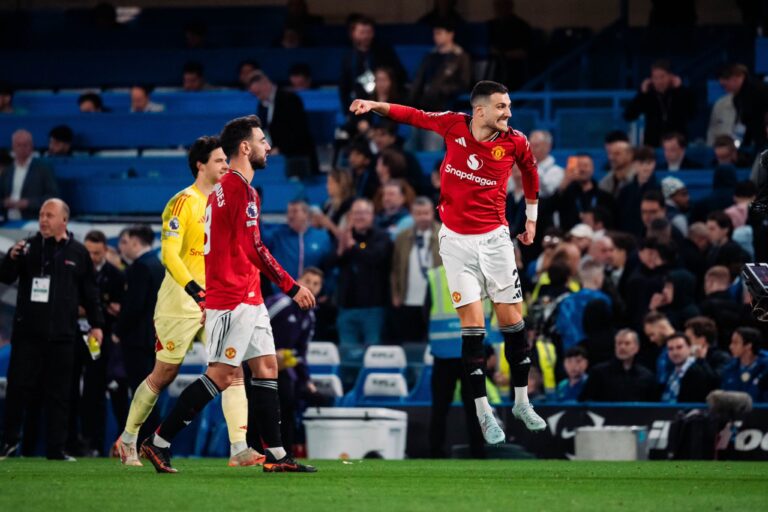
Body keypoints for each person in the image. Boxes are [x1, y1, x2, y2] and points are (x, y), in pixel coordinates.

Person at [349, 80, 547, 442]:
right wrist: (375, 104)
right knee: (472, 329)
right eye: (502, 106)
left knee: (512, 322)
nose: (508, 112)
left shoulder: (515, 142)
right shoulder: (454, 124)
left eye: (509, 105)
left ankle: (521, 402)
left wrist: (531, 219)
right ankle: (484, 414)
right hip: (455, 242)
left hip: (495, 240)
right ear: (481, 110)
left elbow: (531, 173)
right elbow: (413, 115)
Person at [140, 115, 316, 474]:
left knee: (267, 367)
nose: (268, 147)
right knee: (221, 374)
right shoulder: (239, 190)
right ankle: (157, 442)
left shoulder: (222, 191)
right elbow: (254, 248)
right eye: (262, 140)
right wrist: (291, 285)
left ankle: (279, 456)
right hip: (232, 298)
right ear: (246, 147)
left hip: (248, 296)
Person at [114, 137, 262, 468]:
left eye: (227, 160)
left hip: (219, 301)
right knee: (165, 372)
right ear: (201, 165)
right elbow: (169, 253)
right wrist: (196, 290)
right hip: (180, 302)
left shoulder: (226, 202)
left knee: (232, 370)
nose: (227, 165)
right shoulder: (183, 202)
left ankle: (239, 447)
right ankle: (128, 439)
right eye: (220, 160)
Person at [0, 199, 103, 461]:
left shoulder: (78, 252)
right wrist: (10, 259)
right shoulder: (25, 247)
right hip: (27, 335)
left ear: (64, 221)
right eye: (41, 214)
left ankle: (57, 449)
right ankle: (10, 443)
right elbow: (6, 276)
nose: (43, 219)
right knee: (17, 390)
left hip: (63, 336)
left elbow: (91, 293)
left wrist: (97, 325)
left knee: (60, 395)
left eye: (49, 215)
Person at [260, 267, 326, 454]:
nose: (311, 287)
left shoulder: (310, 316)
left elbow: (300, 353)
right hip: (255, 362)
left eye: (316, 284)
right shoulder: (280, 303)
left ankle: (285, 454)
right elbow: (254, 324)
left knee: (289, 402)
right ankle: (255, 451)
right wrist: (271, 353)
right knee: (260, 406)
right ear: (297, 282)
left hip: (280, 368)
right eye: (307, 281)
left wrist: (307, 381)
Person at [75, 230, 126, 456]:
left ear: (105, 250)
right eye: (88, 252)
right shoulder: (76, 272)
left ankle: (121, 444)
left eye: (96, 252)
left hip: (108, 344)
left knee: (116, 395)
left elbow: (121, 309)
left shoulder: (116, 275)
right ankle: (90, 444)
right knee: (89, 396)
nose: (92, 257)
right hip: (80, 339)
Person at [427, 265, 487, 459]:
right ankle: (478, 453)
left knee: (440, 407)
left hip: (445, 353)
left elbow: (425, 311)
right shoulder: (481, 275)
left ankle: (436, 453)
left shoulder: (435, 276)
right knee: (475, 406)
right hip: (471, 351)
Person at [335, 198, 393, 353]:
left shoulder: (382, 237)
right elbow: (333, 263)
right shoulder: (344, 236)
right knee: (347, 354)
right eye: (356, 213)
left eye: (364, 213)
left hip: (373, 307)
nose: (359, 217)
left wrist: (353, 247)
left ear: (372, 215)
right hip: (346, 307)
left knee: (374, 353)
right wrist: (341, 249)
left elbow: (375, 257)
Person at [409, 18, 472, 151]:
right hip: (421, 109)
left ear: (450, 34)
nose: (436, 37)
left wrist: (443, 91)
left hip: (442, 109)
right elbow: (419, 81)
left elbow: (464, 83)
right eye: (435, 33)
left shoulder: (460, 57)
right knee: (412, 147)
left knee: (432, 149)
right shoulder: (430, 56)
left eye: (439, 33)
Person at [390, 197, 442, 343]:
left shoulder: (444, 234)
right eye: (418, 213)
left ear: (432, 213)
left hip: (437, 301)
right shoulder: (402, 237)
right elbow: (395, 267)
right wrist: (396, 293)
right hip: (409, 298)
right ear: (412, 215)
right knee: (410, 342)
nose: (423, 217)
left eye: (426, 213)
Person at [248, 70, 318, 174]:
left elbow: (299, 131)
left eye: (258, 93)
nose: (258, 97)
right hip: (277, 160)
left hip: (298, 157)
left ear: (265, 84)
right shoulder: (262, 105)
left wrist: (281, 149)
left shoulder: (290, 99)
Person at [623, 60, 696, 147]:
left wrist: (680, 90)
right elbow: (628, 115)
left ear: (671, 76)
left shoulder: (682, 93)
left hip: (676, 145)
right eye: (655, 78)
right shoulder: (647, 95)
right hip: (652, 145)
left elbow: (692, 114)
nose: (659, 81)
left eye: (662, 77)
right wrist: (641, 94)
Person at [579, 329, 658, 402]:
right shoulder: (598, 373)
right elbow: (584, 402)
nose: (622, 347)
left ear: (636, 348)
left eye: (627, 343)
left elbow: (653, 407)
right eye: (619, 343)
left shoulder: (647, 376)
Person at [264, 200, 333, 281]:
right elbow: (258, 239)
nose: (290, 216)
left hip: (311, 291)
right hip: (282, 291)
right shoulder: (278, 235)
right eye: (288, 212)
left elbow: (329, 267)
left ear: (306, 214)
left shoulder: (322, 237)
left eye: (295, 211)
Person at [0, 130, 58, 221]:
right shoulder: (7, 170)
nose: (22, 148)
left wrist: (28, 203)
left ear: (31, 146)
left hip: (33, 219)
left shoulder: (43, 169)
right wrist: (4, 203)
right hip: (7, 219)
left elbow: (53, 197)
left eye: (25, 145)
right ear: (13, 147)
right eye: (19, 145)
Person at [555, 259, 611, 351]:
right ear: (597, 278)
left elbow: (561, 327)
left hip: (570, 354)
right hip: (596, 352)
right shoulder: (603, 300)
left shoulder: (566, 301)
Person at [554, 154, 615, 231]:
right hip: (570, 238)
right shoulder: (564, 194)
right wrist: (564, 183)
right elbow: (549, 209)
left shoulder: (605, 197)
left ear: (592, 168)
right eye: (579, 166)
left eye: (586, 166)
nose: (582, 169)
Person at [660, 332, 717, 403]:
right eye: (670, 349)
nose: (675, 352)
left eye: (679, 347)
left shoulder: (699, 370)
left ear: (689, 348)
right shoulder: (670, 371)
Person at [721, 327, 768, 401]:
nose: (730, 347)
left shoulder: (765, 368)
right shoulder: (729, 368)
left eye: (735, 343)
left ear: (748, 345)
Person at [529, 130, 564, 198]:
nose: (531, 149)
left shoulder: (557, 171)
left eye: (536, 146)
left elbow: (550, 193)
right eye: (529, 145)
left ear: (548, 147)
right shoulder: (519, 168)